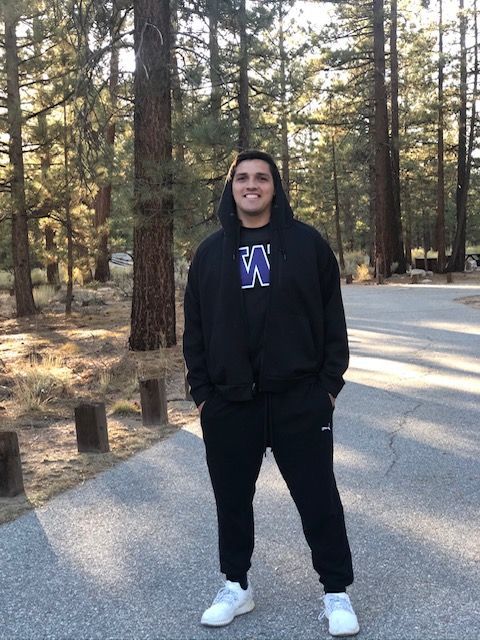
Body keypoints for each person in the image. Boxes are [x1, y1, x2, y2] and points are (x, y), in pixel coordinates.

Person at [183, 149, 359, 637]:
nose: (252, 185)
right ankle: (236, 585)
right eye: (242, 177)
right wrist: (203, 396)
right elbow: (194, 331)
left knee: (318, 498)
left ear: (275, 187)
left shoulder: (307, 245)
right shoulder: (210, 253)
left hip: (299, 399)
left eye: (262, 177)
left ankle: (336, 592)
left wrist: (327, 388)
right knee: (232, 501)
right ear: (231, 188)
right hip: (229, 402)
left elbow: (333, 322)